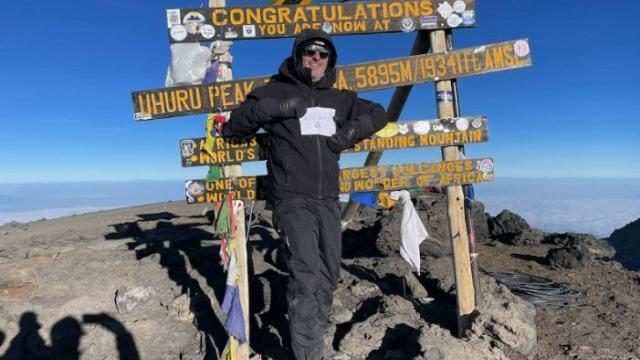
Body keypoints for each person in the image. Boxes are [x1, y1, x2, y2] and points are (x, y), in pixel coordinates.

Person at [222, 29, 387, 359]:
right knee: (306, 275)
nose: (316, 58)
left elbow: (380, 114)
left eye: (323, 54)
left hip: (328, 200)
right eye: (309, 51)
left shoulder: (341, 99)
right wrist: (276, 107)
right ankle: (308, 353)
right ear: (297, 55)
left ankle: (314, 335)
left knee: (329, 274)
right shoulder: (272, 91)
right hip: (292, 198)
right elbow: (234, 127)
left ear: (330, 61)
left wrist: (352, 131)